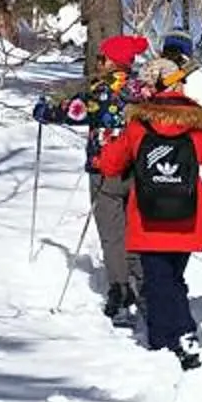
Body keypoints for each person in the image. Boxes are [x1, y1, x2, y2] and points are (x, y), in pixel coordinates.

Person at [92, 60, 202, 369]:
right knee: (170, 276)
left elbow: (110, 164)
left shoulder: (137, 125)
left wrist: (102, 157)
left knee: (160, 279)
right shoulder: (197, 123)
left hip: (148, 216)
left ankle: (176, 334)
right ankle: (168, 336)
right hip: (188, 217)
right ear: (175, 85)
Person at [32, 33, 151, 320]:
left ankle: (120, 290)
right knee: (137, 228)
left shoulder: (101, 91)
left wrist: (43, 110)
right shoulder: (144, 90)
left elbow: (70, 112)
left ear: (112, 60)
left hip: (105, 170)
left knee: (112, 234)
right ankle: (146, 285)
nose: (98, 62)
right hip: (139, 169)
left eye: (102, 57)